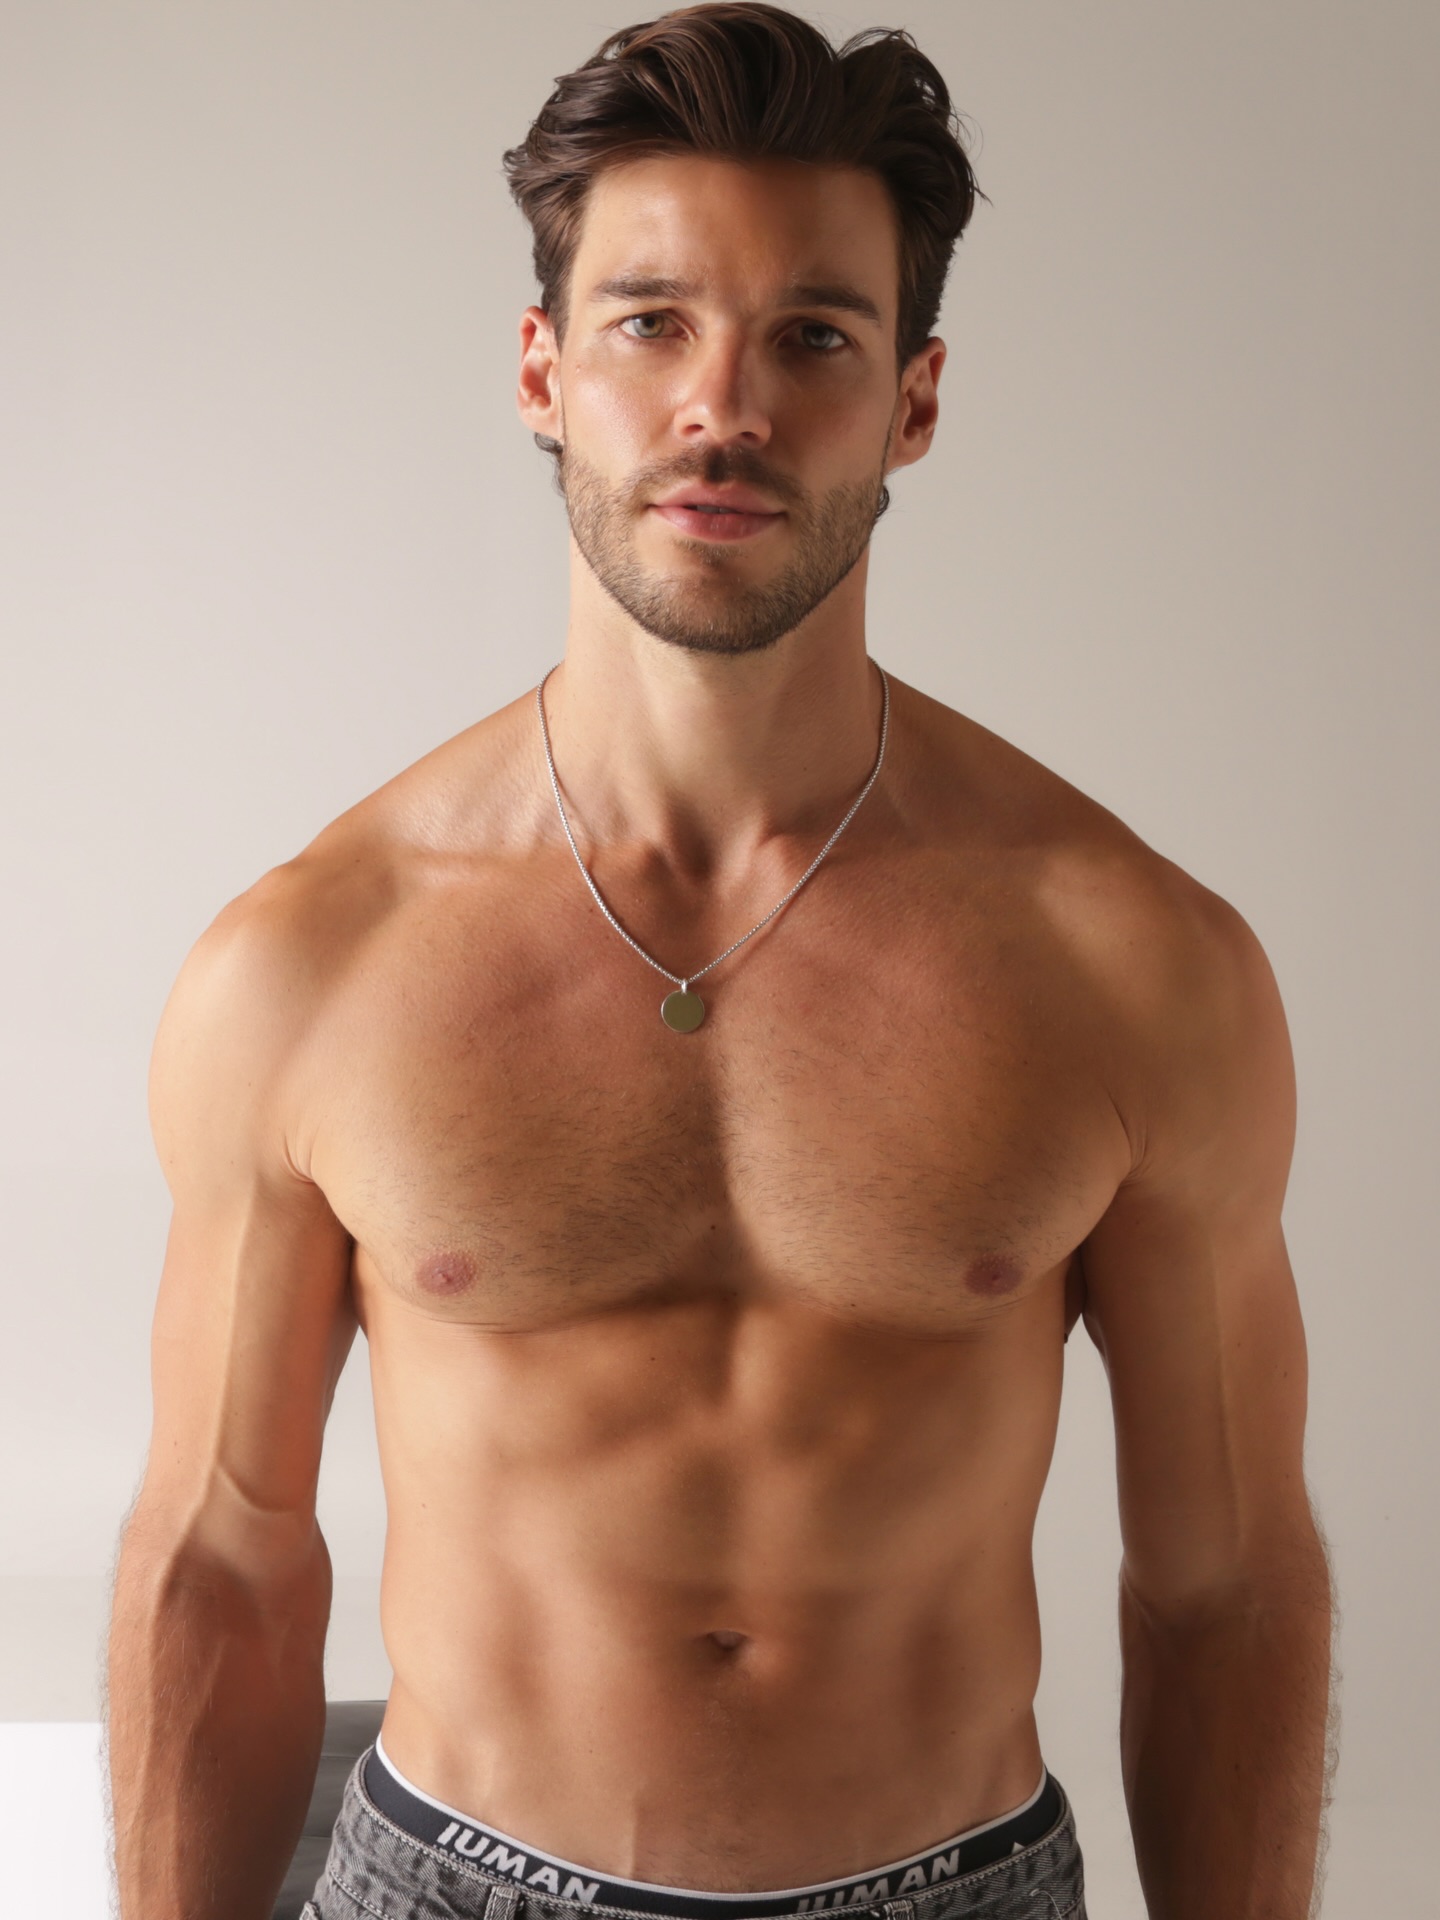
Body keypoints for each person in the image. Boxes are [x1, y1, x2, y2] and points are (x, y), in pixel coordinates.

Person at [105, 6, 1334, 1918]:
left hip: (954, 1881)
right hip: (455, 1879)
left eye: (813, 337)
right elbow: (222, 1564)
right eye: (650, 323)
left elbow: (1227, 1584)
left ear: (913, 401)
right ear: (544, 369)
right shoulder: (315, 961)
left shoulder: (1130, 962)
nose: (721, 407)